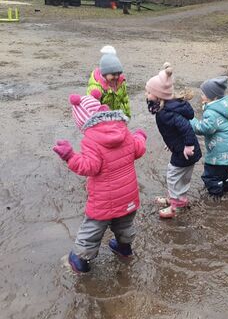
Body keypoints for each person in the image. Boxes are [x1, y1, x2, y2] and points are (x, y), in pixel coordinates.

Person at [53, 90, 146, 273]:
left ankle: (79, 260)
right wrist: (140, 136)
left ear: (82, 122)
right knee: (125, 224)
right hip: (128, 196)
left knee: (92, 229)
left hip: (104, 200)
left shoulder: (91, 140)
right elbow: (138, 149)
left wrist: (70, 156)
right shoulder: (123, 129)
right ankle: (124, 248)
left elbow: (89, 167)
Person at [145, 62, 202, 218]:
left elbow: (186, 128)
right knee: (180, 176)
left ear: (159, 95)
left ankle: (175, 206)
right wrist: (170, 143)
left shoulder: (167, 112)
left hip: (185, 152)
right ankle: (176, 199)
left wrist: (188, 146)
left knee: (173, 174)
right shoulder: (167, 108)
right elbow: (174, 131)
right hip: (181, 148)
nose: (147, 95)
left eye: (149, 92)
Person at [190, 76, 228, 198]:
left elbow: (205, 129)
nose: (201, 95)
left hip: (218, 154)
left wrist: (192, 122)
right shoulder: (225, 107)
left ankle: (216, 197)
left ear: (214, 97)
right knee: (224, 173)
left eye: (204, 94)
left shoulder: (211, 112)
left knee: (210, 176)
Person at [87, 45, 131, 118]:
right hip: (102, 120)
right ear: (104, 73)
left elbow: (125, 100)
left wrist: (127, 115)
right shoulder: (96, 87)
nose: (116, 77)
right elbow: (92, 107)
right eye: (113, 74)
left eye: (119, 74)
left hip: (117, 117)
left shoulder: (120, 83)